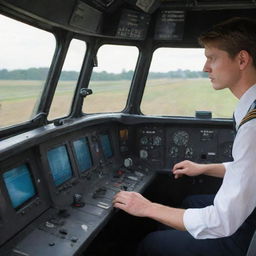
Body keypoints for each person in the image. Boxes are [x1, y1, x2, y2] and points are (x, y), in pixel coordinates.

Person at [112, 17, 256, 256]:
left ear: (242, 59)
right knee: (190, 202)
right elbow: (250, 169)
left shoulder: (253, 126)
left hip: (245, 238)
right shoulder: (249, 109)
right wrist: (205, 168)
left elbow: (222, 222)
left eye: (212, 58)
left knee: (152, 244)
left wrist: (147, 207)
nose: (205, 68)